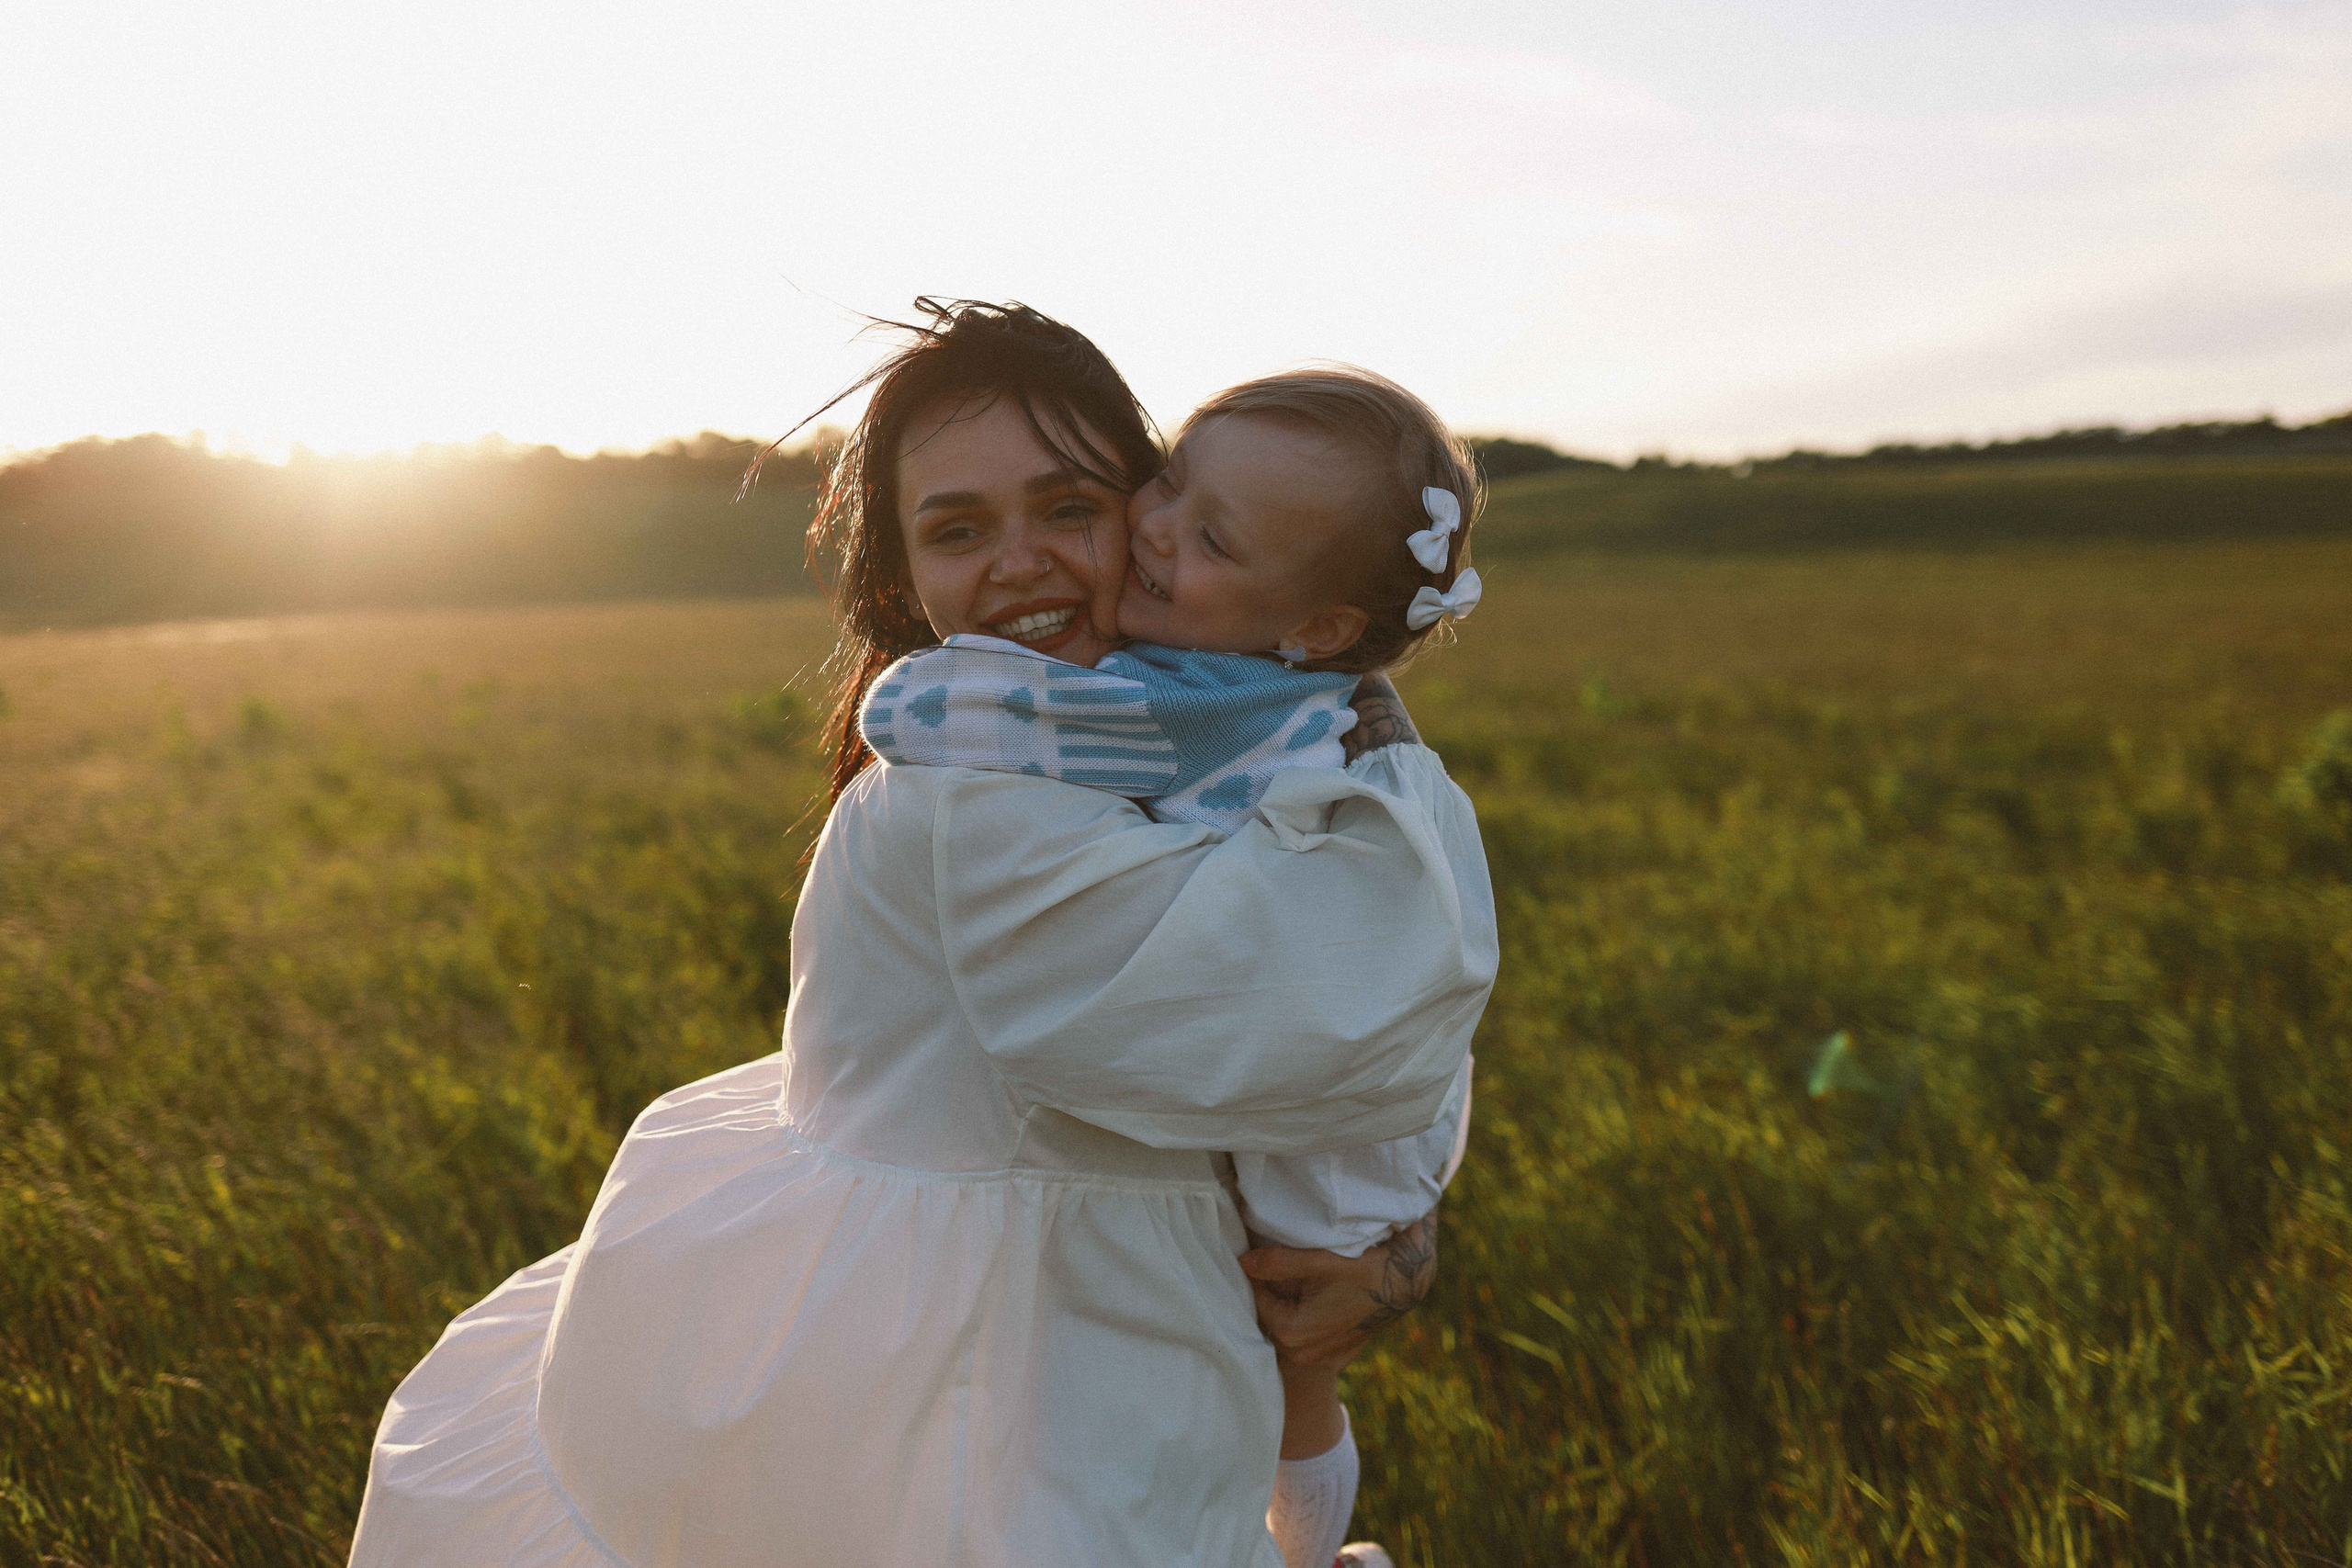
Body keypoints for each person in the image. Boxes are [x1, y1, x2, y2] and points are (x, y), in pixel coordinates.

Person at [348, 301, 1496, 1568]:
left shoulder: (1172, 732)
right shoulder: (976, 795)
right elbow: (1316, 1004)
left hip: (1118, 1308)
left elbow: (1348, 977)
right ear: (904, 573)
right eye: (958, 530)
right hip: (970, 1347)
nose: (1022, 563)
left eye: (1070, 508)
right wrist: (1389, 1245)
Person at [860, 363, 1486, 1568]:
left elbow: (994, 717)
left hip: (1320, 1129)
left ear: (1315, 626)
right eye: (1171, 484)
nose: (1157, 530)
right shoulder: (1277, 681)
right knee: (1268, 1381)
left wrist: (909, 700)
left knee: (1282, 1362)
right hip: (1263, 1123)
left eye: (1207, 535)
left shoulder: (1192, 706)